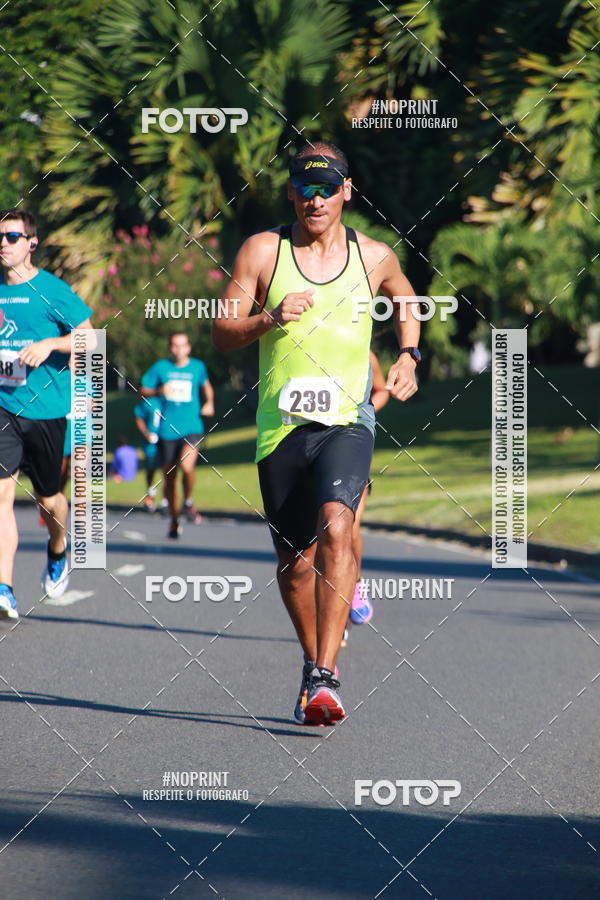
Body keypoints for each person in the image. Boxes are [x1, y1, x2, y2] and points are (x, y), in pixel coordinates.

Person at [212, 141, 421, 725]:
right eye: (304, 189)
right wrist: (269, 317)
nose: (315, 199)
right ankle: (312, 663)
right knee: (295, 564)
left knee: (338, 524)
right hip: (280, 430)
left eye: (326, 188)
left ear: (346, 192)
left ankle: (328, 675)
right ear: (290, 194)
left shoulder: (373, 256)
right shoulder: (263, 251)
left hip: (346, 423)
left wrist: (409, 354)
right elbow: (222, 333)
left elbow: (405, 295)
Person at [0, 208, 93, 618]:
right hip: (5, 407)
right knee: (1, 495)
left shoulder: (52, 290)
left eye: (12, 237)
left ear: (31, 243)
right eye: (0, 237)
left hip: (47, 411)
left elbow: (90, 339)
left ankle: (59, 547)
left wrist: (50, 346)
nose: (3, 244)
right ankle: (4, 587)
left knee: (50, 500)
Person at [140, 332, 215, 538]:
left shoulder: (198, 367)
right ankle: (174, 520)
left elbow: (207, 387)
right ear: (170, 348)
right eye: (174, 346)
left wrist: (209, 403)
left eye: (182, 346)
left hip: (192, 427)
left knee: (186, 465)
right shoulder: (160, 368)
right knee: (170, 479)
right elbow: (142, 390)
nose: (178, 350)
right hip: (167, 429)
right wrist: (158, 391)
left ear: (189, 348)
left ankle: (188, 500)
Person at [340, 351, 389, 643]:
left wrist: (364, 412)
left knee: (349, 529)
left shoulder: (363, 351)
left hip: (351, 445)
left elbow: (381, 390)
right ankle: (333, 610)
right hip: (306, 443)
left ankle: (354, 585)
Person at [134, 395, 162, 510]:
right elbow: (138, 417)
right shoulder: (149, 402)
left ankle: (166, 499)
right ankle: (150, 495)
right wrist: (146, 434)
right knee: (151, 469)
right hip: (151, 442)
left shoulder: (167, 400)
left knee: (169, 469)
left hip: (167, 439)